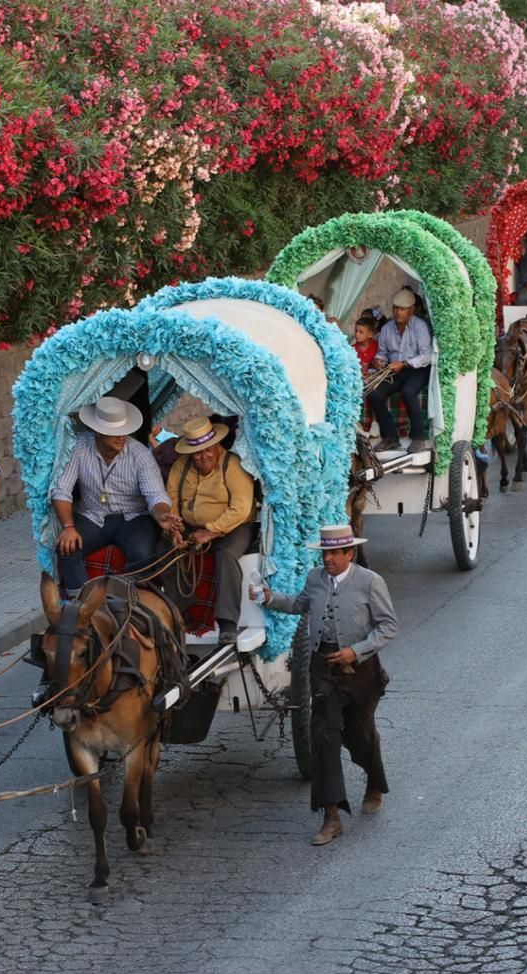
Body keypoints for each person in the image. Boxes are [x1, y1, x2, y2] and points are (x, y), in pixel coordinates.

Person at [257, 525, 397, 846]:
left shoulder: (370, 583)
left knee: (360, 734)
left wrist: (357, 650)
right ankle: (331, 816)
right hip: (322, 669)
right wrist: (269, 598)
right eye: (325, 553)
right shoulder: (315, 579)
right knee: (324, 738)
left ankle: (374, 781)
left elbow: (389, 626)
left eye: (335, 553)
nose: (329, 559)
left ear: (350, 553)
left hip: (361, 673)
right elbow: (298, 605)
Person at [52, 397, 182, 598]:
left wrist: (162, 515)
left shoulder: (140, 455)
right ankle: (81, 606)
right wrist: (68, 527)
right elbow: (61, 491)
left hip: (134, 517)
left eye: (123, 430)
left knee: (142, 553)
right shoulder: (78, 448)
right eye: (114, 433)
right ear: (97, 432)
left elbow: (155, 495)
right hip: (93, 516)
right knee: (67, 549)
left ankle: (127, 604)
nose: (121, 437)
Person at [165, 416, 258, 642]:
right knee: (164, 549)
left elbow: (241, 509)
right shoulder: (180, 467)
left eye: (208, 450)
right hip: (192, 526)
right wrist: (174, 529)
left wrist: (210, 531)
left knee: (226, 554)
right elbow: (172, 501)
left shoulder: (233, 464)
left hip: (234, 526)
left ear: (217, 446)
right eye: (197, 453)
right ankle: (180, 612)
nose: (203, 456)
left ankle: (227, 623)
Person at [367, 288, 436, 453]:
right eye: (396, 308)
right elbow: (382, 352)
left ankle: (418, 437)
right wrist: (379, 361)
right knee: (375, 394)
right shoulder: (387, 328)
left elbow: (427, 355)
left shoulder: (420, 327)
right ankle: (391, 437)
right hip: (395, 370)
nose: (398, 312)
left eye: (402, 309)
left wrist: (404, 363)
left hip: (417, 369)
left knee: (408, 391)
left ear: (411, 310)